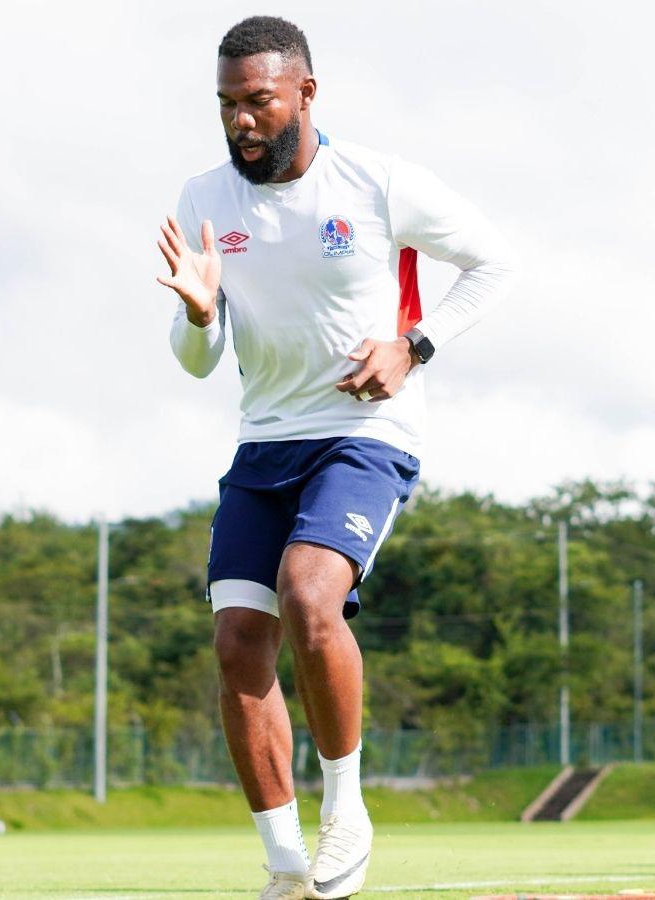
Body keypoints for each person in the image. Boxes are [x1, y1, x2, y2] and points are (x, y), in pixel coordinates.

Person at [157, 16, 515, 899]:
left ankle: (345, 812)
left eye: (258, 100)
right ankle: (285, 864)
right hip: (263, 443)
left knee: (310, 593)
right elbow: (198, 360)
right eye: (226, 104)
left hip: (366, 434)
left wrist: (413, 346)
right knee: (238, 643)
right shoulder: (204, 200)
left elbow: (494, 263)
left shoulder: (378, 182)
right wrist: (199, 316)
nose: (241, 120)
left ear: (306, 93)